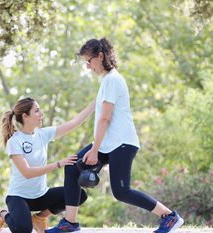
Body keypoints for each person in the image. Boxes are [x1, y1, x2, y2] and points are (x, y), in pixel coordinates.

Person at [45, 38, 184, 233]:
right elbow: (97, 114)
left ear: (100, 56)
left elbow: (105, 119)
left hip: (122, 144)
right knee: (72, 167)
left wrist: (94, 151)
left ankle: (169, 217)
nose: (87, 66)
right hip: (109, 144)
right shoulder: (107, 82)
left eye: (89, 61)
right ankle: (70, 222)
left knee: (121, 192)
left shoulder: (112, 80)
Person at [0, 97, 95, 233]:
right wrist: (58, 164)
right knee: (23, 230)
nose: (41, 114)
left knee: (80, 195)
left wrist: (95, 102)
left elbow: (74, 122)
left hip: (41, 195)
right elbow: (27, 173)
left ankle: (39, 218)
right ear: (25, 116)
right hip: (19, 197)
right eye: (37, 111)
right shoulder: (14, 142)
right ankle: (1, 213)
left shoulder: (43, 134)